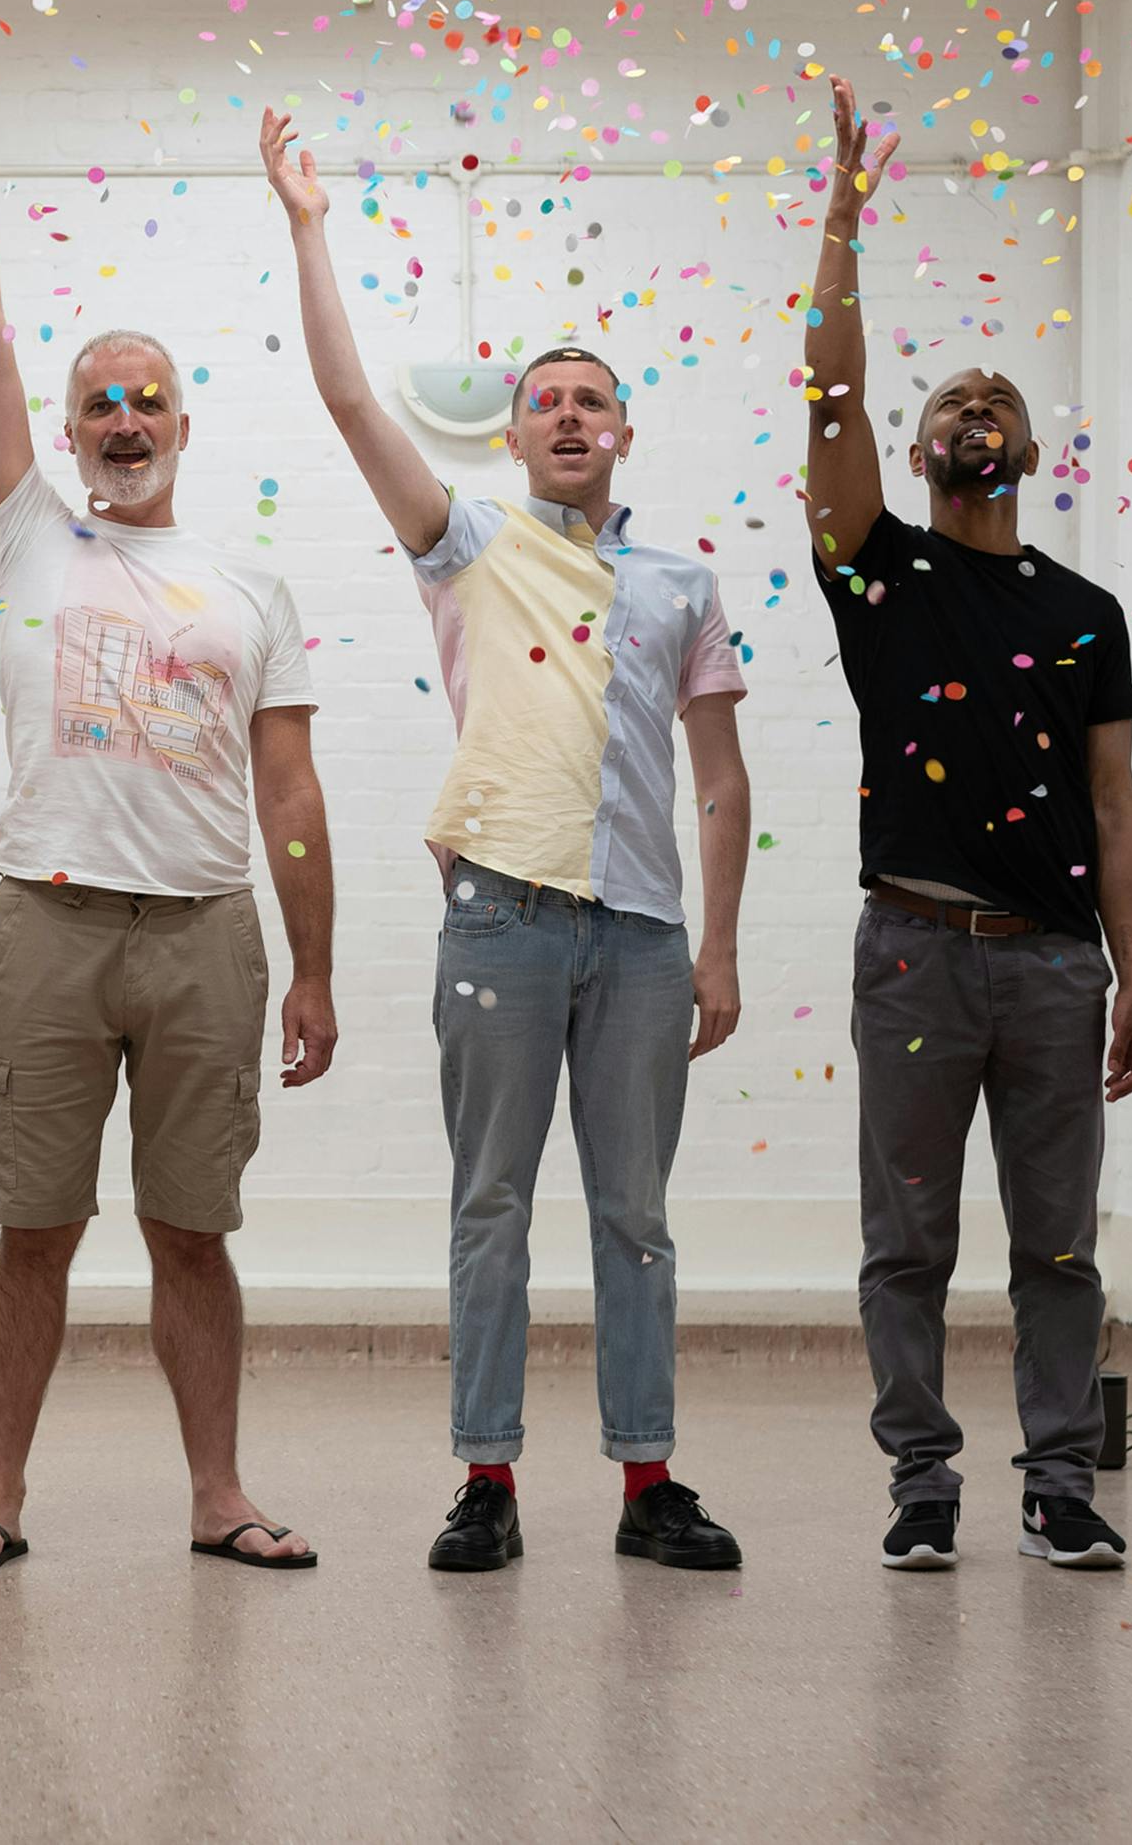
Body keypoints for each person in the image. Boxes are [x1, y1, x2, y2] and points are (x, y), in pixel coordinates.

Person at [261, 112, 755, 1574]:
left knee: (636, 1215)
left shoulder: (684, 579)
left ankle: (647, 1481)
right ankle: (488, 1477)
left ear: (622, 428)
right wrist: (307, 229)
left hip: (647, 939)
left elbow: (722, 781)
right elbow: (355, 410)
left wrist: (718, 943)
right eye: (544, 399)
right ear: (514, 428)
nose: (567, 416)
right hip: (502, 921)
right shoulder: (469, 541)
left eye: (591, 400)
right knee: (491, 1204)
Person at [0, 32, 338, 1576]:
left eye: (148, 397)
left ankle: (219, 1493)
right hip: (48, 923)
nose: (124, 417)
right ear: (75, 433)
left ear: (182, 422)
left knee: (191, 1233)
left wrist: (316, 962)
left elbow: (289, 784)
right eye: (101, 402)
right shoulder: (28, 540)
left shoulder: (250, 581)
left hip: (206, 936)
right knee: (33, 1228)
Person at [801, 74, 1132, 1574]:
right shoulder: (879, 572)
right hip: (915, 952)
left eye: (998, 397)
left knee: (1059, 1245)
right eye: (952, 397)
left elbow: (1115, 800)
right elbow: (827, 397)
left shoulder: (1084, 612)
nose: (976, 406)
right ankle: (923, 1477)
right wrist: (843, 227)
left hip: (1055, 964)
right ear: (922, 443)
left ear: (1025, 446)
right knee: (909, 1242)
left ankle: (1060, 1477)